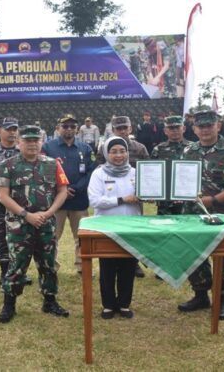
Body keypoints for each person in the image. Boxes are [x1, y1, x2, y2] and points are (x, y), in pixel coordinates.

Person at [179, 110, 224, 319]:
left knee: (223, 257)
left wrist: (216, 199)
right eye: (200, 126)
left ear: (218, 126)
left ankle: (221, 300)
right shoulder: (188, 151)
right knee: (193, 253)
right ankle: (201, 295)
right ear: (194, 129)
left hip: (222, 212)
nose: (205, 130)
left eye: (209, 125)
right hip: (191, 212)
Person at [0, 125, 70, 323]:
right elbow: (2, 196)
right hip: (19, 225)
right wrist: (26, 215)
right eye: (27, 140)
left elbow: (62, 190)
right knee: (17, 264)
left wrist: (49, 212)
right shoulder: (7, 165)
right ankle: (9, 305)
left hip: (46, 223)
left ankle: (50, 301)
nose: (32, 144)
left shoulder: (53, 164)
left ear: (41, 142)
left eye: (36, 140)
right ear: (19, 143)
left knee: (49, 264)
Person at [88, 136, 140, 319]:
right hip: (106, 227)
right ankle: (108, 305)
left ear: (127, 152)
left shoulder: (136, 172)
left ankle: (124, 304)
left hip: (131, 225)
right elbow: (94, 200)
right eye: (113, 151)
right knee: (107, 267)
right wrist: (121, 199)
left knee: (128, 265)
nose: (118, 155)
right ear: (106, 153)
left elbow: (147, 193)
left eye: (122, 151)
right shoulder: (99, 173)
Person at [96, 115, 150, 278]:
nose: (122, 131)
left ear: (130, 128)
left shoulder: (140, 148)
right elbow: (100, 166)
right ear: (113, 130)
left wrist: (147, 192)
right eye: (118, 128)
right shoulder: (104, 148)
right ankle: (113, 262)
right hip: (111, 192)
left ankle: (133, 263)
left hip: (135, 196)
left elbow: (148, 172)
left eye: (124, 128)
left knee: (134, 231)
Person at [42, 114, 95, 274]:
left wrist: (76, 188)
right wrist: (62, 190)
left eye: (73, 126)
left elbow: (90, 171)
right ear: (58, 128)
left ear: (77, 129)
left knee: (82, 237)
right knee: (52, 237)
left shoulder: (85, 148)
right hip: (56, 201)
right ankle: (51, 266)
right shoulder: (48, 147)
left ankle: (83, 266)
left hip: (78, 199)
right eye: (65, 126)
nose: (69, 129)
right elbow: (44, 171)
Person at [0, 117, 28, 284]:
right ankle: (5, 272)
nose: (12, 132)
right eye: (8, 129)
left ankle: (20, 272)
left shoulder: (23, 153)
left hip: (21, 206)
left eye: (15, 129)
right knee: (1, 239)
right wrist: (4, 200)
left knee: (21, 239)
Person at [150, 116, 190, 215]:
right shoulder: (158, 149)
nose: (175, 130)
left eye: (178, 127)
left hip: (188, 199)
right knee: (165, 228)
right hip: (165, 200)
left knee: (189, 227)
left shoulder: (194, 148)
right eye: (171, 128)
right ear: (165, 131)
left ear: (184, 129)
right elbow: (152, 174)